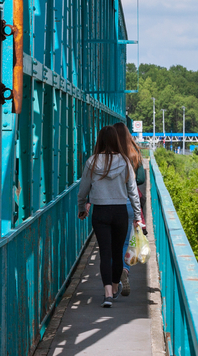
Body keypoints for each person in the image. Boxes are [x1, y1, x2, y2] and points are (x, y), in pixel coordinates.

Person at [77, 126, 144, 308]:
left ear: (100, 140)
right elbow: (133, 191)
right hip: (120, 211)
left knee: (105, 253)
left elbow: (83, 189)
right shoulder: (125, 161)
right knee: (117, 252)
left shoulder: (91, 162)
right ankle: (115, 288)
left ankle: (107, 294)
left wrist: (82, 208)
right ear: (115, 140)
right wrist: (137, 215)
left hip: (100, 212)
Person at [112, 122, 147, 296]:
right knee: (126, 242)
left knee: (112, 243)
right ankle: (125, 270)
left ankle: (113, 278)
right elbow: (141, 179)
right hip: (129, 202)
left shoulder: (108, 155)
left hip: (111, 202)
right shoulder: (134, 153)